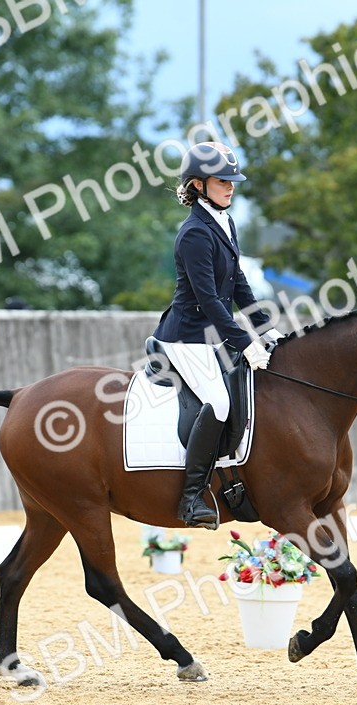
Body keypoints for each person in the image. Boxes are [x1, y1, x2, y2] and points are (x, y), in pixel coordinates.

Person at [150, 141, 285, 529]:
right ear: (197, 184)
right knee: (220, 404)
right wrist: (245, 344)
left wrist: (266, 329)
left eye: (232, 180)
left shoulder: (224, 222)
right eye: (222, 180)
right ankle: (191, 498)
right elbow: (209, 300)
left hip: (210, 336)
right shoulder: (194, 233)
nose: (230, 187)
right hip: (185, 338)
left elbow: (239, 283)